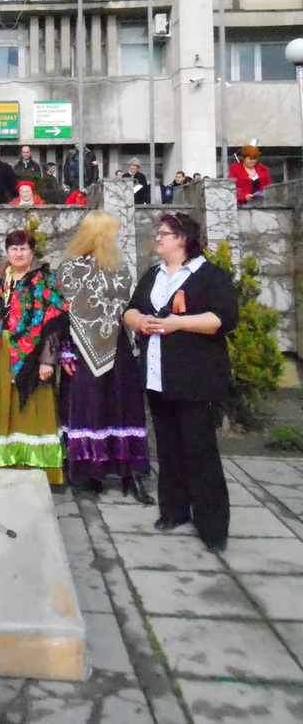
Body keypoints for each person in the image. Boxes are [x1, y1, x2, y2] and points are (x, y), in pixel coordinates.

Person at [124, 212, 239, 553]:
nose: (157, 238)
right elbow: (130, 310)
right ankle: (174, 511)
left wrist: (178, 323)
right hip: (159, 378)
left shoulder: (209, 276)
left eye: (164, 233)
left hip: (195, 379)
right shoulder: (153, 275)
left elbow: (222, 318)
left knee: (200, 451)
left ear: (182, 239)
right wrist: (140, 321)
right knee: (169, 448)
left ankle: (213, 526)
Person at [55, 211, 152, 500]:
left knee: (122, 408)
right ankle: (89, 471)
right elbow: (62, 313)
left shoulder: (121, 269)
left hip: (119, 347)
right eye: (108, 233)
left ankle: (128, 471)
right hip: (83, 350)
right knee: (90, 408)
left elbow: (128, 307)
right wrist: (65, 350)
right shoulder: (69, 269)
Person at [0, 230, 67, 483]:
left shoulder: (44, 279)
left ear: (32, 252)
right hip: (0, 355)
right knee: (4, 408)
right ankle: (5, 461)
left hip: (33, 355)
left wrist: (46, 360)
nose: (18, 254)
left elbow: (54, 320)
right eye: (13, 249)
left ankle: (38, 468)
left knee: (34, 410)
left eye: (23, 249)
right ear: (7, 252)